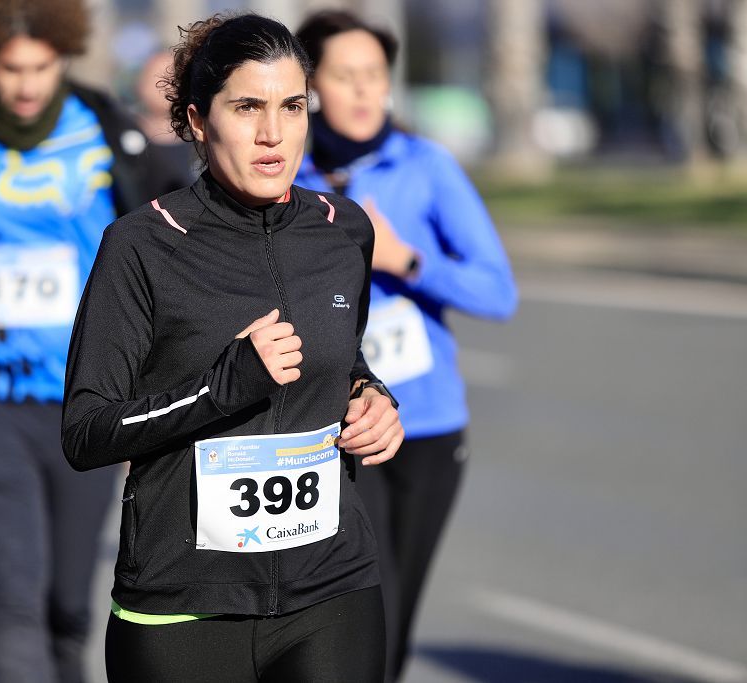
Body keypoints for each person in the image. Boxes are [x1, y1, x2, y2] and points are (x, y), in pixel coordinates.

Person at [61, 13, 404, 682]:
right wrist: (222, 386)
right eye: (247, 106)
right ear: (196, 119)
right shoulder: (142, 245)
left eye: (292, 106)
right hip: (183, 610)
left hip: (330, 590)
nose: (273, 133)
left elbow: (345, 358)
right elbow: (85, 430)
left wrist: (370, 398)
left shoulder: (343, 231)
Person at [0, 1, 186, 681]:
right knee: (14, 598)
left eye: (40, 67)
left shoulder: (103, 126)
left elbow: (168, 239)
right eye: (9, 68)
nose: (24, 84)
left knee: (68, 603)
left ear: (63, 57)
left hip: (92, 396)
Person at [294, 11, 519, 680]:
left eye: (376, 76)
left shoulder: (425, 167)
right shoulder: (287, 174)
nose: (365, 91)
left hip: (425, 425)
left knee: (391, 623)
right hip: (329, 430)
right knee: (355, 605)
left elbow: (497, 292)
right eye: (345, 75)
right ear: (310, 86)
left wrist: (407, 260)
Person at [133, 49, 197, 186]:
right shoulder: (122, 134)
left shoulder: (202, 143)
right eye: (155, 77)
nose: (164, 85)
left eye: (172, 77)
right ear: (140, 85)